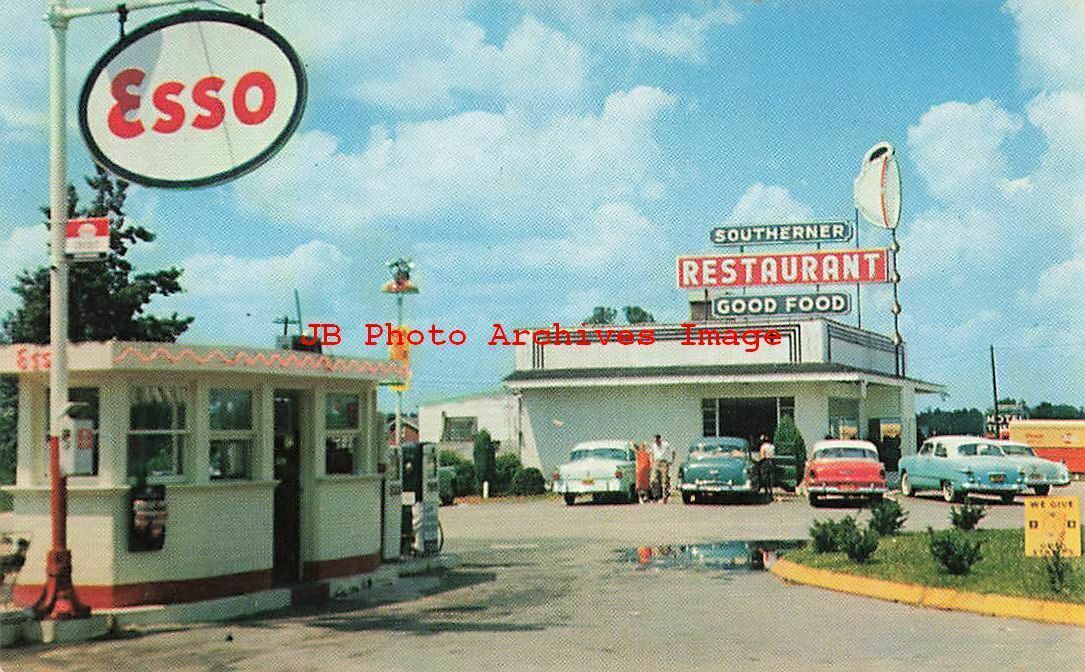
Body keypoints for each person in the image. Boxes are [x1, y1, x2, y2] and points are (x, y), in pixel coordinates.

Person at [648, 434, 672, 503]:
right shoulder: (654, 445)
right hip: (656, 462)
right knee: (653, 480)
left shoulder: (665, 444)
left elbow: (673, 451)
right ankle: (656, 496)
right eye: (655, 440)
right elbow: (651, 452)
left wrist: (671, 460)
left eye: (657, 440)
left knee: (664, 481)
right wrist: (652, 460)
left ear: (659, 439)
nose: (656, 442)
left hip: (664, 463)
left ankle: (665, 497)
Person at [758, 434, 776, 500]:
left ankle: (766, 492)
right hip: (771, 462)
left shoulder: (763, 446)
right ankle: (771, 491)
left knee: (764, 477)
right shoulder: (772, 446)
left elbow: (762, 456)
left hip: (765, 462)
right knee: (771, 478)